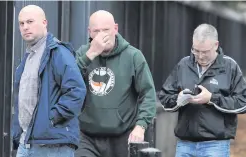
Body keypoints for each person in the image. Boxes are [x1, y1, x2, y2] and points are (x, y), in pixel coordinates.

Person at [75, 10, 156, 157]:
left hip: (123, 135)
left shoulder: (133, 56)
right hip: (88, 136)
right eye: (96, 31)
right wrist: (91, 54)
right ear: (89, 32)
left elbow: (148, 94)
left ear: (115, 29)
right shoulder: (83, 54)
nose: (101, 35)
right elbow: (69, 83)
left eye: (106, 30)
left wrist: (141, 126)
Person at [158, 23, 246, 157]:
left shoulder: (230, 67)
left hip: (216, 145)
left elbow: (242, 102)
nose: (199, 56)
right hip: (184, 144)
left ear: (216, 45)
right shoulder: (183, 65)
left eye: (204, 52)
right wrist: (178, 99)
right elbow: (164, 97)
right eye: (195, 50)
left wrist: (211, 98)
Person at [12, 5, 86, 157]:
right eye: (21, 23)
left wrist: (51, 119)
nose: (25, 27)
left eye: (30, 21)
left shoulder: (58, 53)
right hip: (26, 143)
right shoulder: (27, 58)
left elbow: (77, 90)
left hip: (53, 145)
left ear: (44, 22)